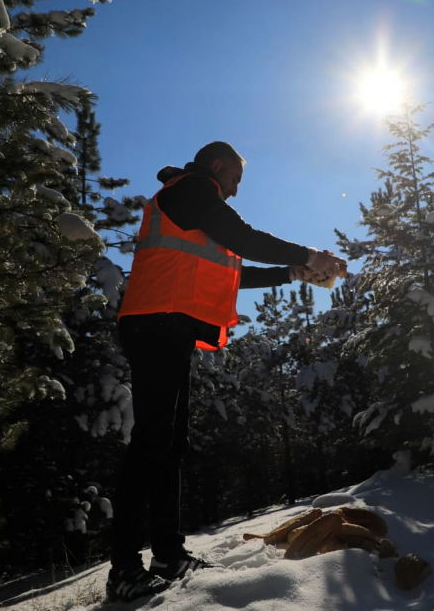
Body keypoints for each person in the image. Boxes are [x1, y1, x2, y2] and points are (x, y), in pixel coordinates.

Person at [106, 141, 345, 602]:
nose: (235, 190)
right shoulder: (191, 189)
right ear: (217, 165)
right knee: (152, 443)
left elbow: (229, 270)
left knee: (169, 445)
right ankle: (123, 570)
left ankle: (168, 555)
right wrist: (310, 254)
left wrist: (292, 273)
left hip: (166, 324)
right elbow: (244, 238)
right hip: (155, 322)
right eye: (235, 179)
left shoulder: (196, 205)